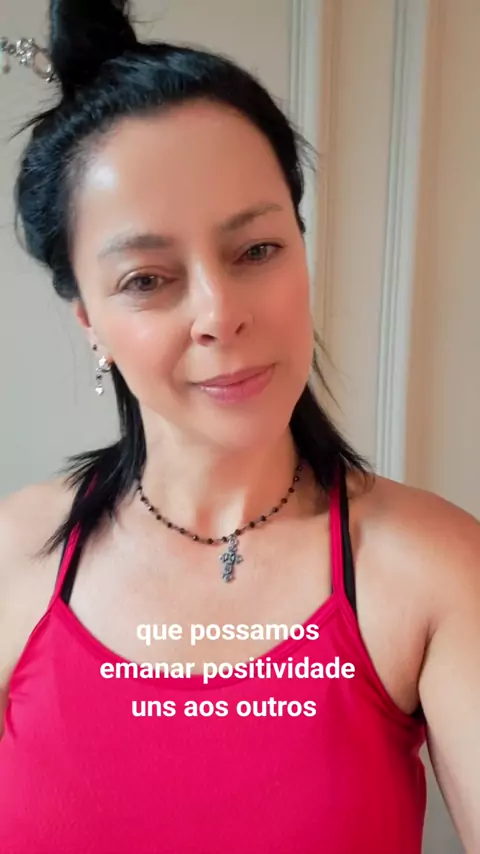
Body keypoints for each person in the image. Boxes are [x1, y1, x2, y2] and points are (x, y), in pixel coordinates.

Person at [0, 1, 479, 852]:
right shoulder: (16, 555)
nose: (221, 315)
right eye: (147, 279)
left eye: (257, 250)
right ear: (87, 320)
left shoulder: (433, 567)